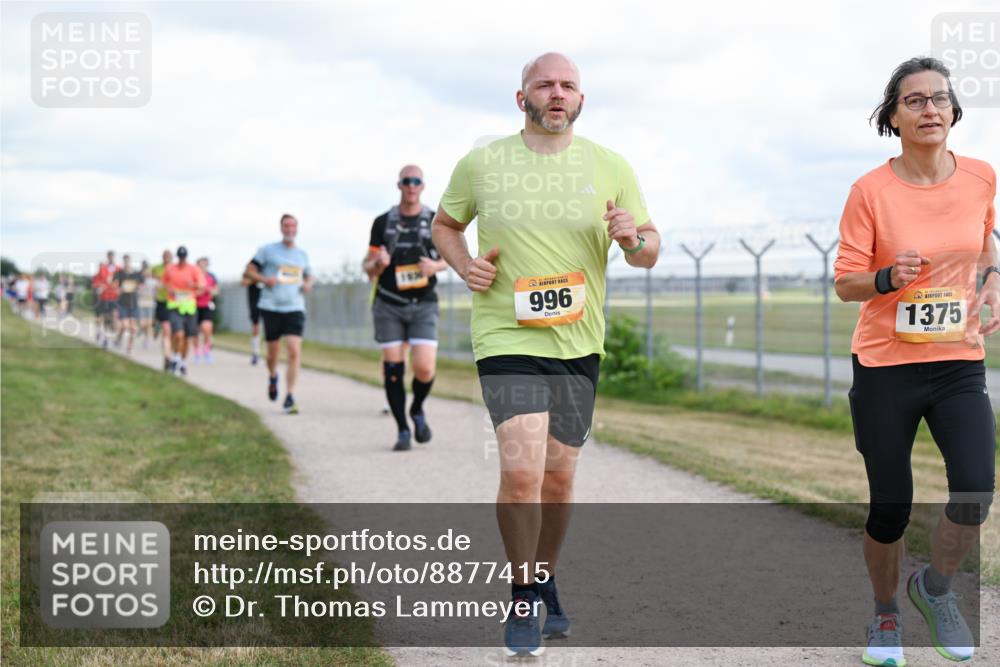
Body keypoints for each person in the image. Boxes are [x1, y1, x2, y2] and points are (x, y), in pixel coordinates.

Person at [432, 52, 659, 656]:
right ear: (522, 97)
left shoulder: (610, 166)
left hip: (579, 344)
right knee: (524, 469)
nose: (557, 93)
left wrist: (632, 237)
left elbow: (649, 248)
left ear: (581, 100)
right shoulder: (483, 163)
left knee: (558, 479)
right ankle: (522, 594)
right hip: (507, 338)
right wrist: (465, 265)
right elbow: (446, 225)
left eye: (568, 86)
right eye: (545, 85)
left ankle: (545, 577)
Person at [834, 56, 996, 667]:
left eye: (940, 99)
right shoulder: (869, 191)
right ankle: (884, 615)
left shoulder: (981, 176)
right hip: (885, 367)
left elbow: (985, 238)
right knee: (890, 505)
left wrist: (994, 279)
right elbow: (845, 282)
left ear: (954, 111)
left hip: (958, 361)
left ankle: (933, 589)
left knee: (976, 489)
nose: (931, 109)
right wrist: (884, 276)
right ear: (893, 117)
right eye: (915, 101)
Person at [363, 165, 450, 451]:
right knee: (393, 369)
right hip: (389, 303)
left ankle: (417, 409)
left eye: (416, 181)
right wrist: (379, 264)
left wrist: (434, 266)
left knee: (424, 368)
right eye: (406, 182)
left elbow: (449, 257)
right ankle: (402, 428)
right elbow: (368, 267)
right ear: (399, 185)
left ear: (423, 186)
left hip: (423, 304)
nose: (411, 186)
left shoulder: (435, 220)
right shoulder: (382, 222)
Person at [244, 214, 312, 414]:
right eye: (286, 226)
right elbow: (248, 271)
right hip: (271, 306)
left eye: (293, 226)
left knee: (293, 350)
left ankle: (290, 395)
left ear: (297, 229)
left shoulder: (302, 254)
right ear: (281, 228)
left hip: (295, 306)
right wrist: (264, 279)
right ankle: (273, 376)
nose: (290, 229)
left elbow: (308, 274)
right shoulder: (268, 250)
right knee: (273, 351)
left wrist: (308, 284)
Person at [162, 246, 205, 375]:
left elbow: (202, 286)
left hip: (189, 307)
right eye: (180, 257)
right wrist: (169, 289)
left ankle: (183, 362)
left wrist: (193, 285)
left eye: (183, 257)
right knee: (178, 334)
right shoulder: (170, 269)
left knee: (187, 338)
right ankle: (175, 357)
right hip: (174, 305)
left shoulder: (194, 269)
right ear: (177, 257)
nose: (182, 259)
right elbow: (163, 282)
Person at [114, 254, 144, 354]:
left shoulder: (136, 274)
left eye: (128, 261)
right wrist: (120, 289)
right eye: (125, 261)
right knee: (125, 326)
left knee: (133, 328)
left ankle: (130, 347)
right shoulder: (119, 273)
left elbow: (141, 285)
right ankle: (118, 338)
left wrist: (138, 288)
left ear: (130, 261)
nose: (126, 263)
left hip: (133, 303)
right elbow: (115, 287)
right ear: (123, 262)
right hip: (123, 303)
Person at [151, 250, 174, 371]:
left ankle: (169, 357)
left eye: (169, 257)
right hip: (161, 301)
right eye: (165, 256)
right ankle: (167, 358)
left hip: (174, 303)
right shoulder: (158, 267)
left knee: (169, 331)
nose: (167, 258)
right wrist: (155, 277)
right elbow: (147, 273)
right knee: (165, 329)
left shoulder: (175, 269)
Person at [91, 251, 119, 348]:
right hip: (105, 297)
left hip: (115, 297)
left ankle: (114, 338)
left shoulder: (118, 268)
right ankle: (106, 339)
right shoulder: (103, 268)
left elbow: (123, 280)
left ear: (114, 257)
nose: (111, 258)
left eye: (112, 256)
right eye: (109, 256)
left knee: (114, 317)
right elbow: (97, 282)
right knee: (106, 319)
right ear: (107, 257)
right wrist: (99, 287)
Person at [194, 256, 218, 363]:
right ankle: (197, 351)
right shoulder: (194, 277)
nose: (203, 267)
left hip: (207, 305)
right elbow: (192, 291)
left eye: (205, 265)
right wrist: (200, 291)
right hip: (194, 305)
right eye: (201, 265)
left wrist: (208, 290)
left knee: (207, 327)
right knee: (195, 331)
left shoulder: (211, 277)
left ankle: (206, 349)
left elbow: (216, 291)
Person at [241, 274, 263, 365]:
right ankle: (255, 352)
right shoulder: (252, 268)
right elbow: (243, 282)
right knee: (256, 326)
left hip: (271, 301)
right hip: (255, 301)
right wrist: (260, 279)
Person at [137, 261, 156, 347]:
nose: (146, 272)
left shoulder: (153, 282)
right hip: (141, 304)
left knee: (148, 323)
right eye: (145, 271)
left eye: (148, 271)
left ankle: (146, 339)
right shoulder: (139, 281)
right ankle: (144, 334)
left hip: (150, 304)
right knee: (142, 323)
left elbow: (156, 292)